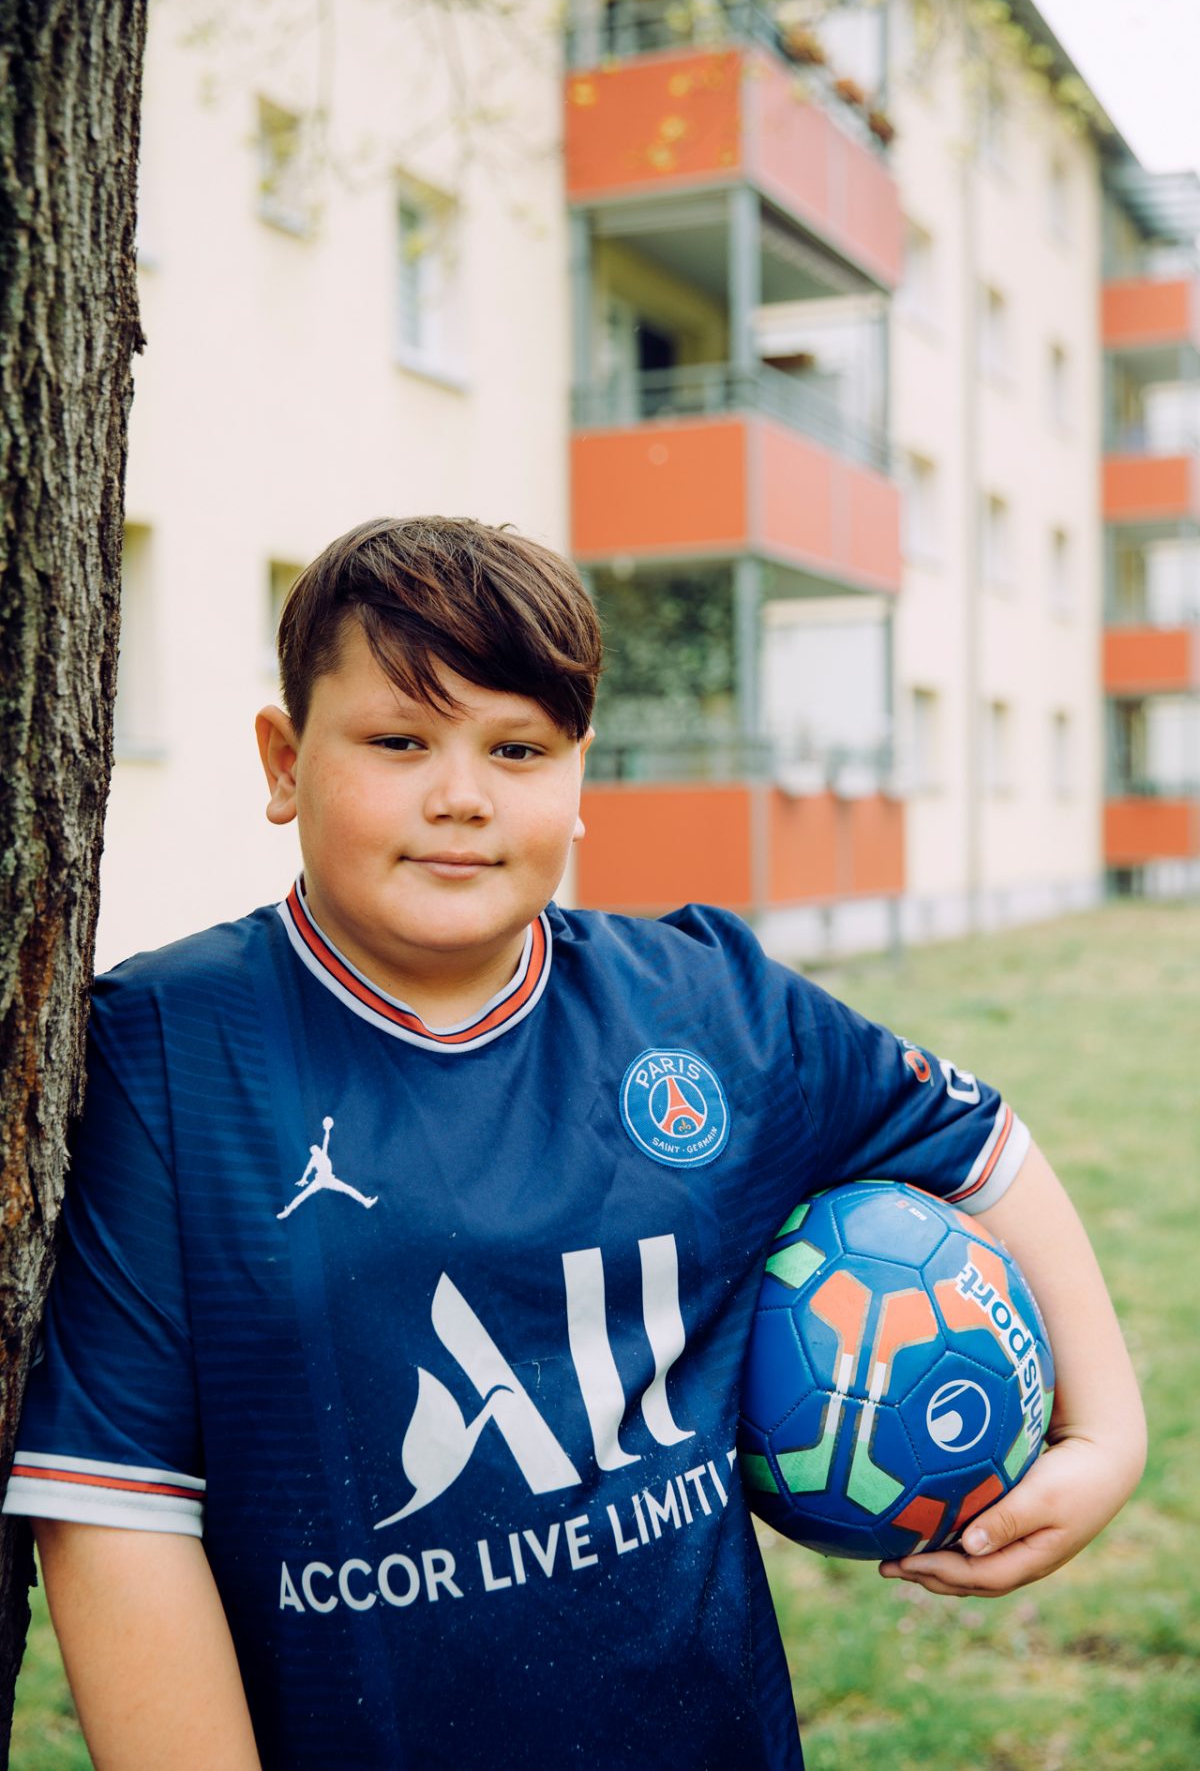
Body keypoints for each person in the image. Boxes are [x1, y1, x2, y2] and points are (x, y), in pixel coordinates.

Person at [5, 517, 1146, 1769]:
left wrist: (1106, 1434)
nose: (462, 795)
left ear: (578, 776)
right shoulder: (164, 1055)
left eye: (518, 749)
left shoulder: (712, 1007)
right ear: (284, 762)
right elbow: (115, 1510)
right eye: (399, 741)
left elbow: (974, 1139)